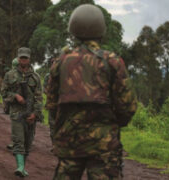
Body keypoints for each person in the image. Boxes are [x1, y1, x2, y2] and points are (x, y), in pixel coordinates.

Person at [46, 4, 137, 180]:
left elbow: (51, 104)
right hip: (104, 144)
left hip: (70, 143)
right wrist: (113, 125)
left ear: (73, 29)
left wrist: (64, 126)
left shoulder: (61, 62)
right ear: (101, 29)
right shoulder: (112, 61)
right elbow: (127, 105)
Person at [1, 47, 43, 177]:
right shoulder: (10, 75)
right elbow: (4, 92)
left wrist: (35, 114)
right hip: (17, 113)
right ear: (18, 59)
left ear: (29, 59)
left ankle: (22, 167)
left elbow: (39, 98)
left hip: (31, 114)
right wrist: (15, 97)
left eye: (26, 58)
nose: (23, 60)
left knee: (28, 143)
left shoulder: (35, 77)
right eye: (21, 57)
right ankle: (19, 167)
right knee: (18, 141)